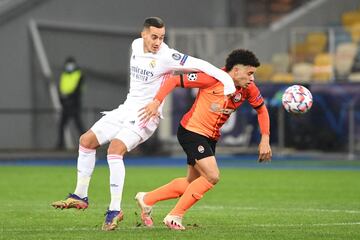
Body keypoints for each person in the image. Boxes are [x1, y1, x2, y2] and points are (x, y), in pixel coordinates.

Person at [51, 16, 236, 231]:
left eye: (162, 37)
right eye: (154, 37)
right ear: (143, 35)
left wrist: (228, 82)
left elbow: (202, 65)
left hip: (146, 116)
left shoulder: (168, 56)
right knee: (86, 140)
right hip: (126, 108)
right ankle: (80, 195)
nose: (158, 42)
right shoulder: (135, 46)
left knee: (115, 149)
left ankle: (114, 209)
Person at [135, 49, 272, 230]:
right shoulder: (211, 78)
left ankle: (147, 198)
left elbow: (262, 110)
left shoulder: (248, 89)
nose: (252, 79)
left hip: (210, 137)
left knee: (191, 183)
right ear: (236, 70)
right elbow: (174, 79)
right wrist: (156, 101)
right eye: (250, 73)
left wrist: (265, 139)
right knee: (212, 176)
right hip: (192, 132)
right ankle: (175, 216)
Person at [57, 56, 85, 149]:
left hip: (74, 104)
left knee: (78, 125)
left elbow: (78, 90)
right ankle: (60, 145)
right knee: (62, 125)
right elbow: (61, 88)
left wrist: (70, 98)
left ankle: (86, 144)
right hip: (65, 104)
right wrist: (62, 99)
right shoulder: (64, 75)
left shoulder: (79, 74)